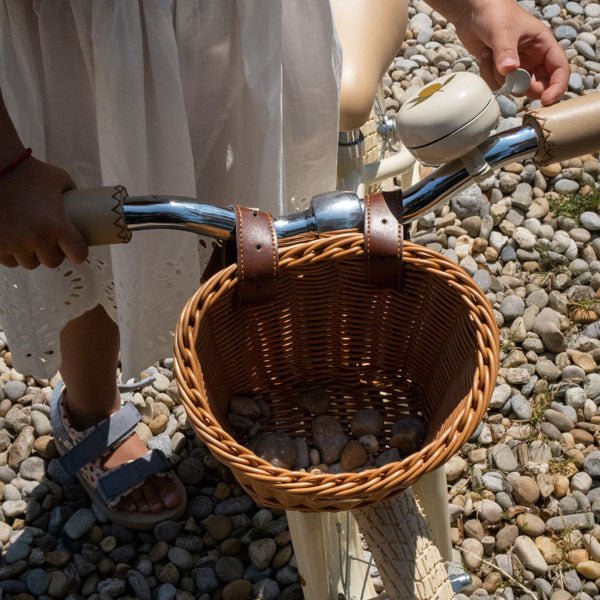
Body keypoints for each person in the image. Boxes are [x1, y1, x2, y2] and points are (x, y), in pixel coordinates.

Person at [0, 0, 569, 527]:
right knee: (82, 238)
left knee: (251, 218)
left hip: (256, 41)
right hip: (82, 51)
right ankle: (88, 408)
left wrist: (474, 7)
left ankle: (243, 358)